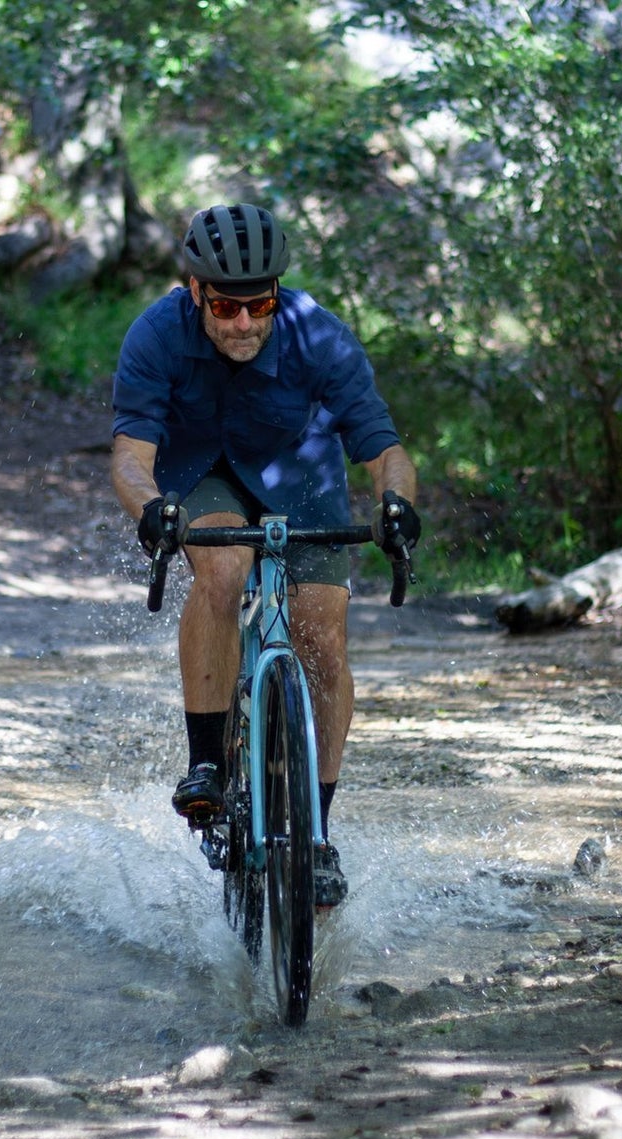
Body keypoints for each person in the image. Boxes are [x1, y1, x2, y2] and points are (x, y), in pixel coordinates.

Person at [109, 203, 420, 908]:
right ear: (195, 292)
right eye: (225, 306)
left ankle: (316, 833)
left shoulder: (319, 335)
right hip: (203, 468)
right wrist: (153, 509)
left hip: (300, 472)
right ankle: (207, 765)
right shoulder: (156, 334)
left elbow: (382, 448)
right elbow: (130, 458)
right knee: (223, 568)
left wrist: (396, 503)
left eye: (260, 306)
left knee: (321, 634)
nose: (244, 323)